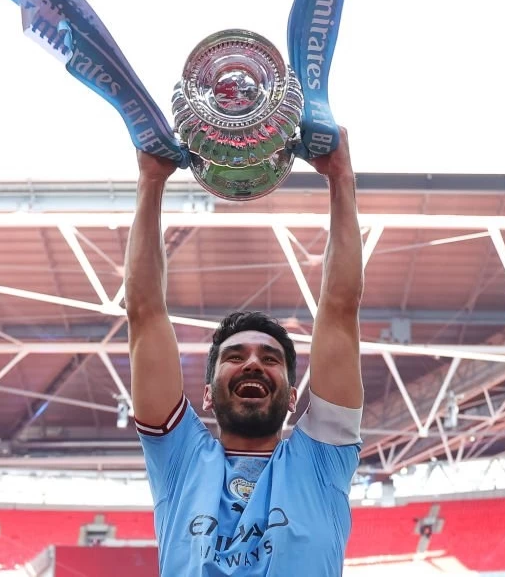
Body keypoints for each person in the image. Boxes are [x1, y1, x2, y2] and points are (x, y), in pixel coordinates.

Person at [124, 128, 363, 576]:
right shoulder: (179, 458)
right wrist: (150, 181)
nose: (253, 361)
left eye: (270, 359)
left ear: (293, 398)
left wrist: (340, 178)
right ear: (208, 395)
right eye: (234, 356)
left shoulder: (322, 459)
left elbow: (340, 312)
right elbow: (145, 315)